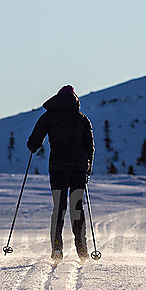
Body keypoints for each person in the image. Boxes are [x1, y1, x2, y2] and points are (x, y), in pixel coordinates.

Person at [27, 85, 94, 263]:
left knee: (59, 207)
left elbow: (34, 142)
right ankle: (82, 249)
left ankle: (57, 248)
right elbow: (89, 147)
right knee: (77, 207)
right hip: (78, 168)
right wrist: (88, 168)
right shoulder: (82, 119)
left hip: (58, 168)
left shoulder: (49, 116)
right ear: (75, 99)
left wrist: (32, 146)